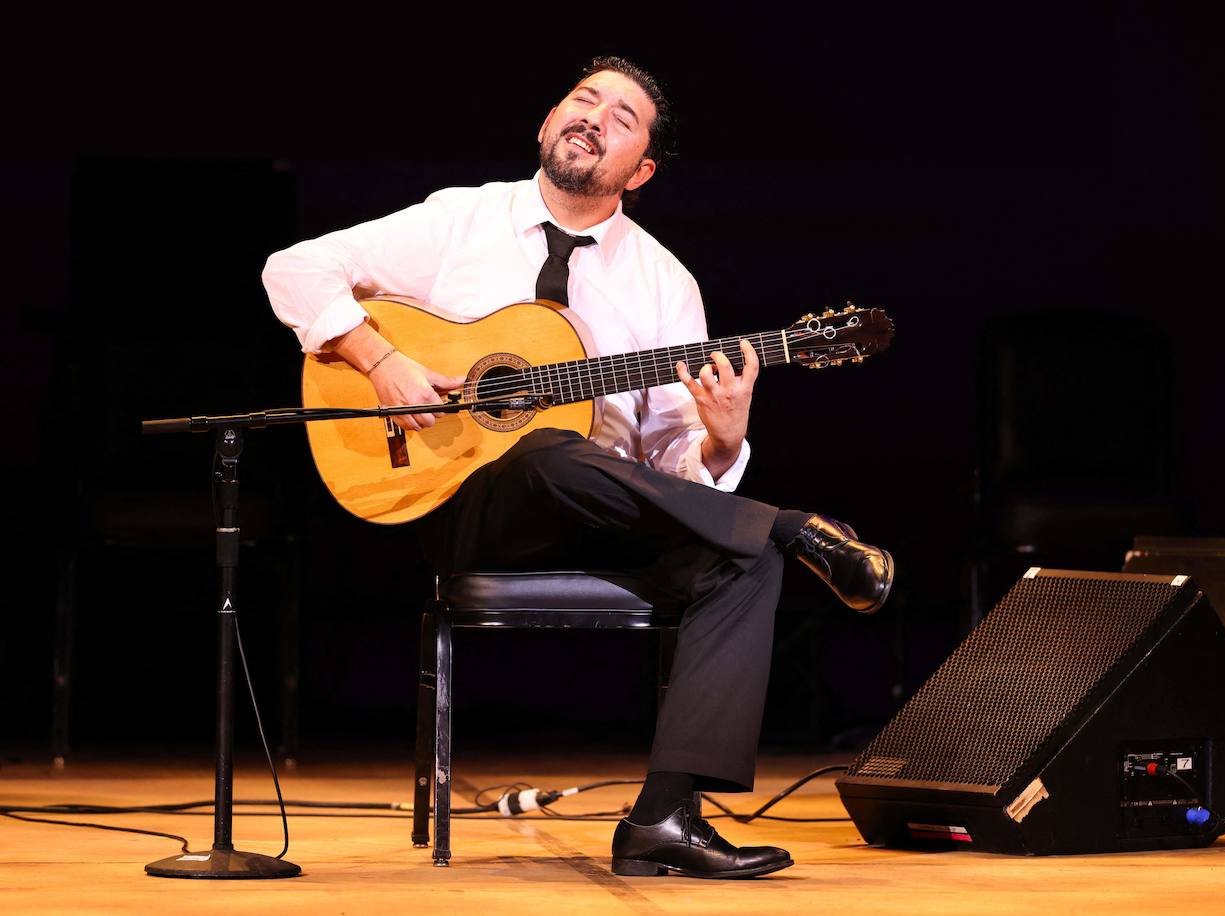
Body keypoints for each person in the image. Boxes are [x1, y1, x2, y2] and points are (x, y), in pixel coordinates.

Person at [262, 55, 893, 879]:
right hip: (471, 509)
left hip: (610, 519)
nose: (595, 117)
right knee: (549, 450)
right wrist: (380, 358)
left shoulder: (665, 281)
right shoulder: (460, 220)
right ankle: (792, 525)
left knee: (741, 564)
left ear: (642, 170)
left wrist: (721, 441)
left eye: (622, 118)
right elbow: (292, 268)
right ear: (548, 121)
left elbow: (671, 467)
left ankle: (664, 820)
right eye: (583, 100)